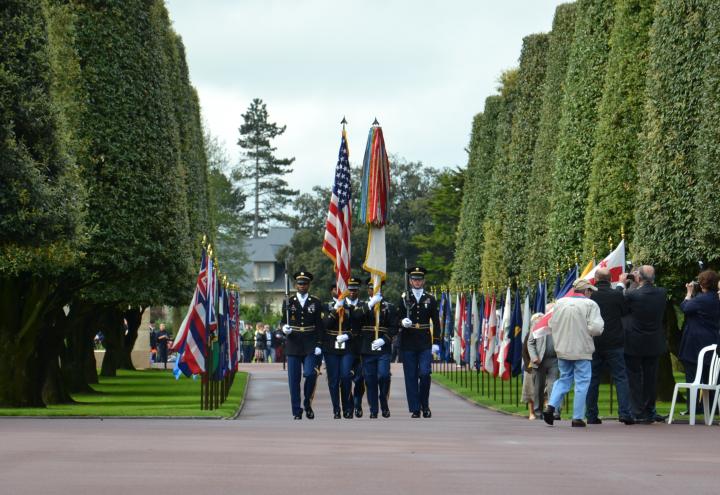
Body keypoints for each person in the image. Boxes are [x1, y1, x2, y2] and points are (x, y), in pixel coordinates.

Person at [542, 279, 604, 427]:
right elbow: (597, 328)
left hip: (563, 348)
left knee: (564, 378)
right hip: (582, 348)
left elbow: (551, 324)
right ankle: (577, 417)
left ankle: (551, 406)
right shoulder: (590, 305)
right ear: (587, 291)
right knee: (582, 382)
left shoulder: (559, 303)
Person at [586, 268, 634, 425]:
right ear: (610, 279)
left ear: (595, 279)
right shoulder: (616, 295)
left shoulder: (591, 296)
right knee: (620, 378)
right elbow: (625, 311)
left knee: (593, 379)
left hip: (594, 342)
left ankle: (591, 415)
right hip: (614, 342)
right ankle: (625, 413)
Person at [623, 265, 667, 423]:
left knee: (634, 378)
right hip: (654, 341)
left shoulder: (632, 295)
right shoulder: (662, 293)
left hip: (635, 341)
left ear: (639, 278)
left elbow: (623, 308)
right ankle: (650, 409)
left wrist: (625, 284)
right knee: (650, 378)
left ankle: (638, 411)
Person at [398, 266, 441, 418]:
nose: (417, 282)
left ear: (424, 281)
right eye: (414, 279)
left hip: (424, 341)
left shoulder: (430, 299)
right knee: (410, 376)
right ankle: (415, 408)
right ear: (410, 281)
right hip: (408, 341)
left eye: (419, 279)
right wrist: (402, 321)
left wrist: (436, 342)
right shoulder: (404, 297)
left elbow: (436, 322)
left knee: (424, 374)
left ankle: (425, 404)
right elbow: (396, 319)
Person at [352, 277, 398, 418]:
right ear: (368, 290)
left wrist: (385, 339)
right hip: (367, 348)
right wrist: (370, 305)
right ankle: (374, 409)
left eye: (376, 288)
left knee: (384, 375)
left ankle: (383, 400)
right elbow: (355, 319)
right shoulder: (362, 306)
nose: (374, 291)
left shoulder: (389, 307)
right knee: (370, 380)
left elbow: (394, 327)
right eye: (372, 288)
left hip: (382, 348)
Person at [281, 271, 324, 420]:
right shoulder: (288, 302)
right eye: (299, 283)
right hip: (293, 343)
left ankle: (307, 402)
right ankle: (296, 411)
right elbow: (282, 320)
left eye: (304, 283)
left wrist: (319, 344)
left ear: (309, 285)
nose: (302, 286)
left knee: (311, 374)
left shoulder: (316, 302)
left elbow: (320, 325)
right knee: (294, 380)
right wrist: (284, 328)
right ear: (295, 285)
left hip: (310, 343)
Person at [679, 270, 720, 412]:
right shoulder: (716, 298)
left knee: (692, 377)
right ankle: (712, 408)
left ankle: (693, 407)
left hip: (694, 343)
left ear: (702, 283)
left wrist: (689, 293)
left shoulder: (702, 299)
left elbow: (685, 307)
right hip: (712, 341)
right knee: (711, 378)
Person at [322, 277, 362, 419]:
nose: (337, 292)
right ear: (331, 291)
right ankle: (336, 409)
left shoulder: (350, 308)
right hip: (330, 346)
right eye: (335, 289)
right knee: (333, 379)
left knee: (345, 376)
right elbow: (324, 325)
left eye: (339, 290)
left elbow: (357, 329)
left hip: (347, 347)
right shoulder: (325, 307)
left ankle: (347, 407)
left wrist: (348, 336)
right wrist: (335, 309)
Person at [527, 311, 560, 420]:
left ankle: (554, 412)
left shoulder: (558, 323)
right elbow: (530, 343)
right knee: (538, 388)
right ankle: (537, 412)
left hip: (554, 360)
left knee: (553, 386)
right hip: (539, 361)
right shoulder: (537, 323)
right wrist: (534, 357)